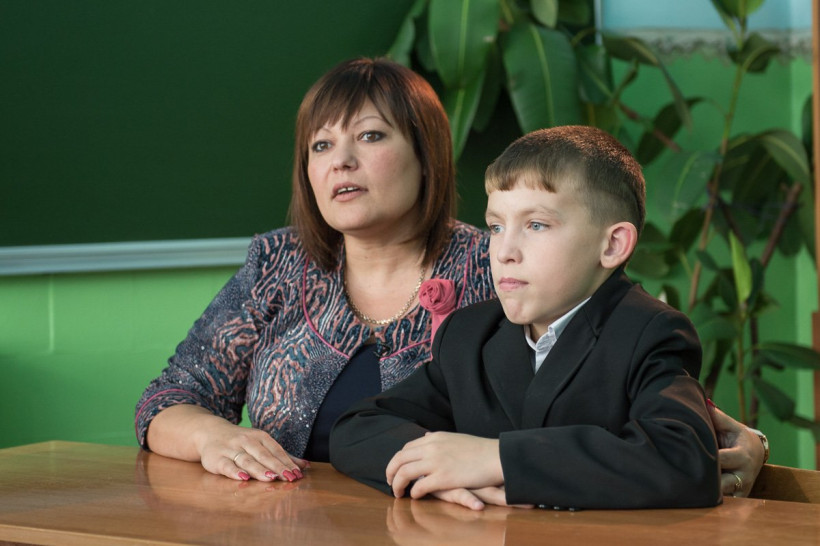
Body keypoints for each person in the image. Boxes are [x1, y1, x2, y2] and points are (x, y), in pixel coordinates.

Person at [134, 57, 765, 495]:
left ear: (425, 153)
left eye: (369, 136)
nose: (340, 161)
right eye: (321, 145)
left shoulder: (497, 272)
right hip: (291, 521)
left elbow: (621, 372)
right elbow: (170, 397)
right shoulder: (277, 263)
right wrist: (212, 436)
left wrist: (735, 439)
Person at [329, 125, 722, 510]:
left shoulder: (649, 332)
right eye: (496, 227)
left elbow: (683, 459)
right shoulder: (468, 334)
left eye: (536, 225)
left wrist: (496, 459)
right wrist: (437, 473)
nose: (505, 252)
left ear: (612, 245)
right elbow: (358, 427)